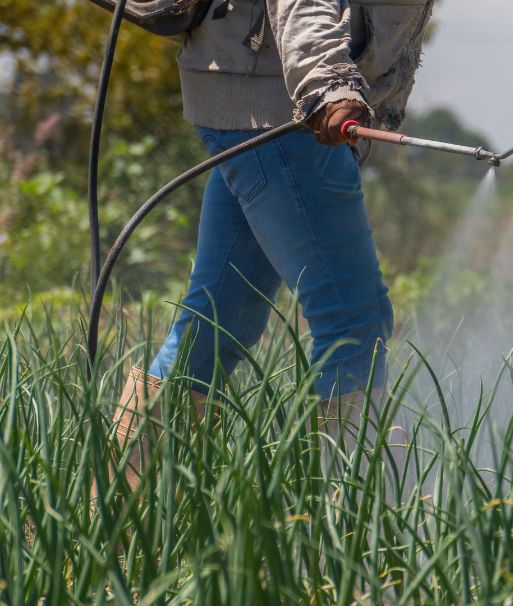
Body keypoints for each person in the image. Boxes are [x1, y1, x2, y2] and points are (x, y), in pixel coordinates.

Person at [109, 0, 435, 491]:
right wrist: (328, 84)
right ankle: (366, 539)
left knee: (216, 322)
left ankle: (115, 518)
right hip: (283, 109)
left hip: (255, 95)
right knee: (353, 324)